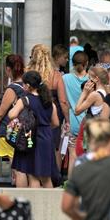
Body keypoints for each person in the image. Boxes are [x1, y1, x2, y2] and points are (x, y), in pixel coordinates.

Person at [7, 70, 59, 188]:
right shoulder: (49, 101)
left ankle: (34, 205)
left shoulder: (25, 100)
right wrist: (44, 127)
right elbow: (55, 123)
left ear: (28, 86)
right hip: (46, 137)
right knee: (46, 177)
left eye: (24, 84)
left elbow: (11, 115)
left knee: (33, 175)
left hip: (30, 137)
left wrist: (15, 106)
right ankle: (49, 206)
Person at [28, 43, 68, 183]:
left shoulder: (28, 74)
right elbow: (63, 101)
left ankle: (32, 180)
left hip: (30, 116)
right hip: (51, 116)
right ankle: (54, 179)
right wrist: (67, 120)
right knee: (54, 148)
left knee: (29, 148)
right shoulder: (55, 75)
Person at [62, 51, 90, 169]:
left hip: (71, 122)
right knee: (88, 156)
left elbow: (63, 100)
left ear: (72, 64)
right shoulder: (91, 80)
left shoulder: (64, 78)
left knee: (72, 155)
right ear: (87, 63)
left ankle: (70, 184)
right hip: (88, 122)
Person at [0, 54, 26, 138]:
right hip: (19, 132)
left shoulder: (12, 89)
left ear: (8, 69)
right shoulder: (27, 86)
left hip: (7, 132)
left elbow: (1, 113)